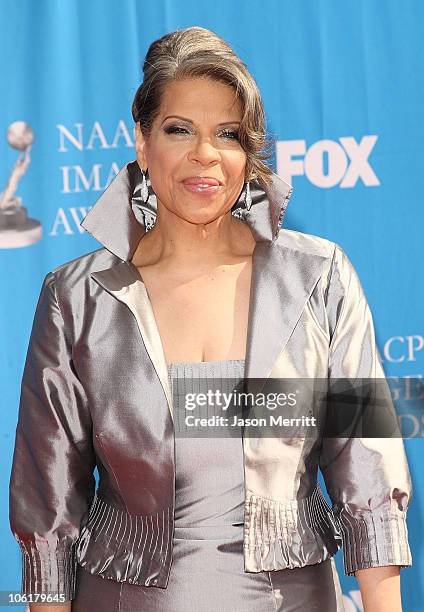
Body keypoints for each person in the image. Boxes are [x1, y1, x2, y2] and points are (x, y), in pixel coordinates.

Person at [9, 26, 412, 612]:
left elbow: (368, 473)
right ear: (143, 143)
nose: (206, 155)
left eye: (228, 134)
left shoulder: (319, 279)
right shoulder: (77, 298)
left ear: (248, 153)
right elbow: (47, 511)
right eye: (180, 130)